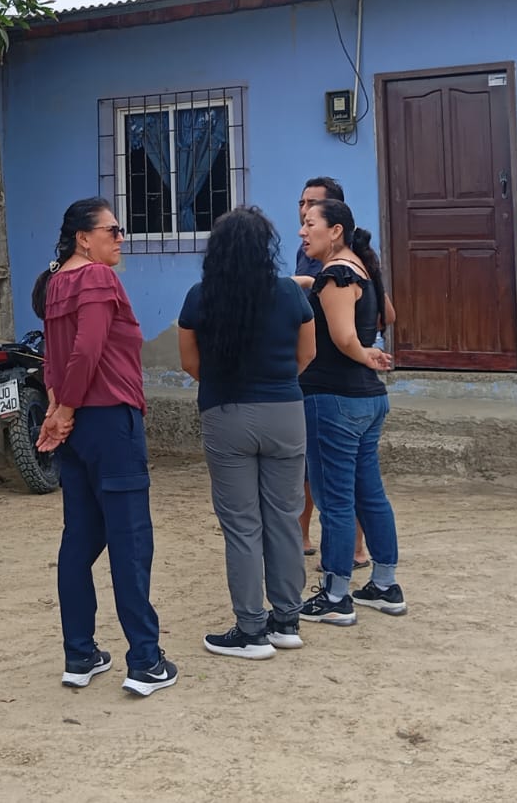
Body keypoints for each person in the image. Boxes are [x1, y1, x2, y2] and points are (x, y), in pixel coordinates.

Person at [33, 198, 177, 698]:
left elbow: (54, 357)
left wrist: (58, 409)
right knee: (130, 539)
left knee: (80, 536)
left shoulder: (57, 283)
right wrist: (65, 409)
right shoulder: (96, 278)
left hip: (76, 424)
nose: (120, 238)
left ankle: (80, 654)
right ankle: (145, 660)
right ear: (83, 238)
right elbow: (87, 349)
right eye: (111, 230)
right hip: (109, 419)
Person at [177, 207, 316, 660]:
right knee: (285, 516)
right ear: (265, 247)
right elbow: (307, 355)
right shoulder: (290, 293)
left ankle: (251, 630)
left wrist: (227, 386)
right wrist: (276, 385)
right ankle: (286, 621)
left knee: (241, 525)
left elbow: (190, 363)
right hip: (286, 412)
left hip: (226, 413)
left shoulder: (200, 297)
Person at [296, 197, 408, 626]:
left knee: (336, 500)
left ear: (335, 230)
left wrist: (364, 354)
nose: (303, 231)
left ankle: (336, 594)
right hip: (366, 400)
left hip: (334, 399)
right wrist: (310, 283)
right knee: (368, 493)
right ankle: (384, 584)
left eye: (310, 223)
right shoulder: (361, 269)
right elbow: (386, 314)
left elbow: (344, 337)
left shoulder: (337, 275)